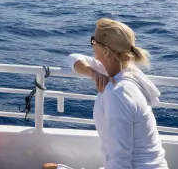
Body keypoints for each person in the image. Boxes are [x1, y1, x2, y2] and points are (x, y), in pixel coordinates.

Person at [43, 18, 168, 169]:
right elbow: (72, 58)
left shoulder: (118, 93)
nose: (92, 45)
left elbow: (120, 161)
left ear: (107, 51)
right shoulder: (128, 72)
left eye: (93, 41)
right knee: (49, 167)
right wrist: (93, 72)